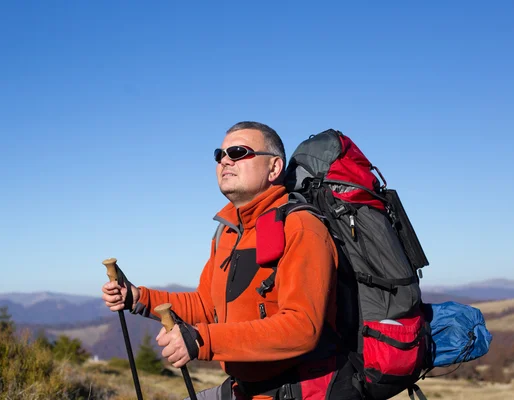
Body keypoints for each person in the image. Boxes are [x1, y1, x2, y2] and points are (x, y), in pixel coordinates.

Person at [102, 121, 342, 399]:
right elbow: (206, 305)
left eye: (239, 152)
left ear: (274, 168)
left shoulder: (300, 227)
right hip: (246, 388)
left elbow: (302, 328)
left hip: (299, 390)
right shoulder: (227, 232)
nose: (225, 161)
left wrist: (201, 340)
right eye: (220, 154)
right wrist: (138, 297)